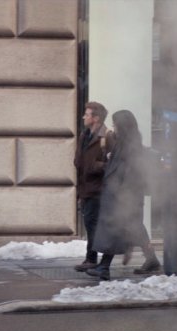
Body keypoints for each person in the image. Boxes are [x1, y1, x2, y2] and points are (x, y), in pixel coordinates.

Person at [86, 110, 161, 280]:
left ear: (122, 126)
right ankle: (152, 260)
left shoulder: (130, 148)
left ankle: (104, 267)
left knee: (113, 229)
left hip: (123, 197)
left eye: (115, 124)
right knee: (135, 229)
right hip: (122, 196)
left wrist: (122, 197)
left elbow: (128, 174)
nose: (113, 127)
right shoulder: (125, 144)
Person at [73, 101, 114, 272]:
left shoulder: (107, 136)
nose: (84, 117)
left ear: (96, 118)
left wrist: (95, 166)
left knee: (93, 224)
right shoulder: (85, 135)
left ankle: (93, 259)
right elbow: (80, 160)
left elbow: (113, 163)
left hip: (98, 189)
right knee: (91, 224)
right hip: (85, 187)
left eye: (87, 114)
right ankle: (92, 258)